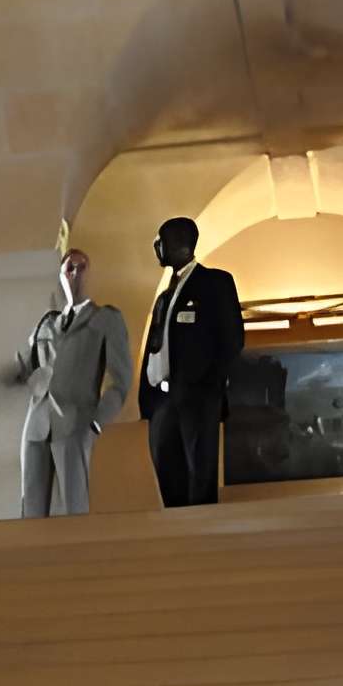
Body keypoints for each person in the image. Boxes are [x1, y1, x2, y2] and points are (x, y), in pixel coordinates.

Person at [10, 247, 134, 517]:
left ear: (91, 274)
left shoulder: (106, 318)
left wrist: (97, 422)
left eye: (82, 267)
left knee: (74, 506)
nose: (75, 273)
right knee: (30, 504)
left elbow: (121, 380)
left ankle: (77, 556)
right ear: (61, 275)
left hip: (76, 420)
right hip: (37, 421)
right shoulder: (47, 323)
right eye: (69, 267)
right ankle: (31, 556)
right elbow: (30, 366)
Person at [137, 216, 246, 507]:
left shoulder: (215, 283)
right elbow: (154, 347)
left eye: (162, 241)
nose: (159, 249)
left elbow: (232, 341)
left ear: (179, 243)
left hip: (198, 398)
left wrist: (207, 386)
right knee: (168, 473)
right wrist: (148, 397)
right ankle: (175, 535)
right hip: (164, 400)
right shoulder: (164, 297)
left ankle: (202, 540)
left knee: (199, 475)